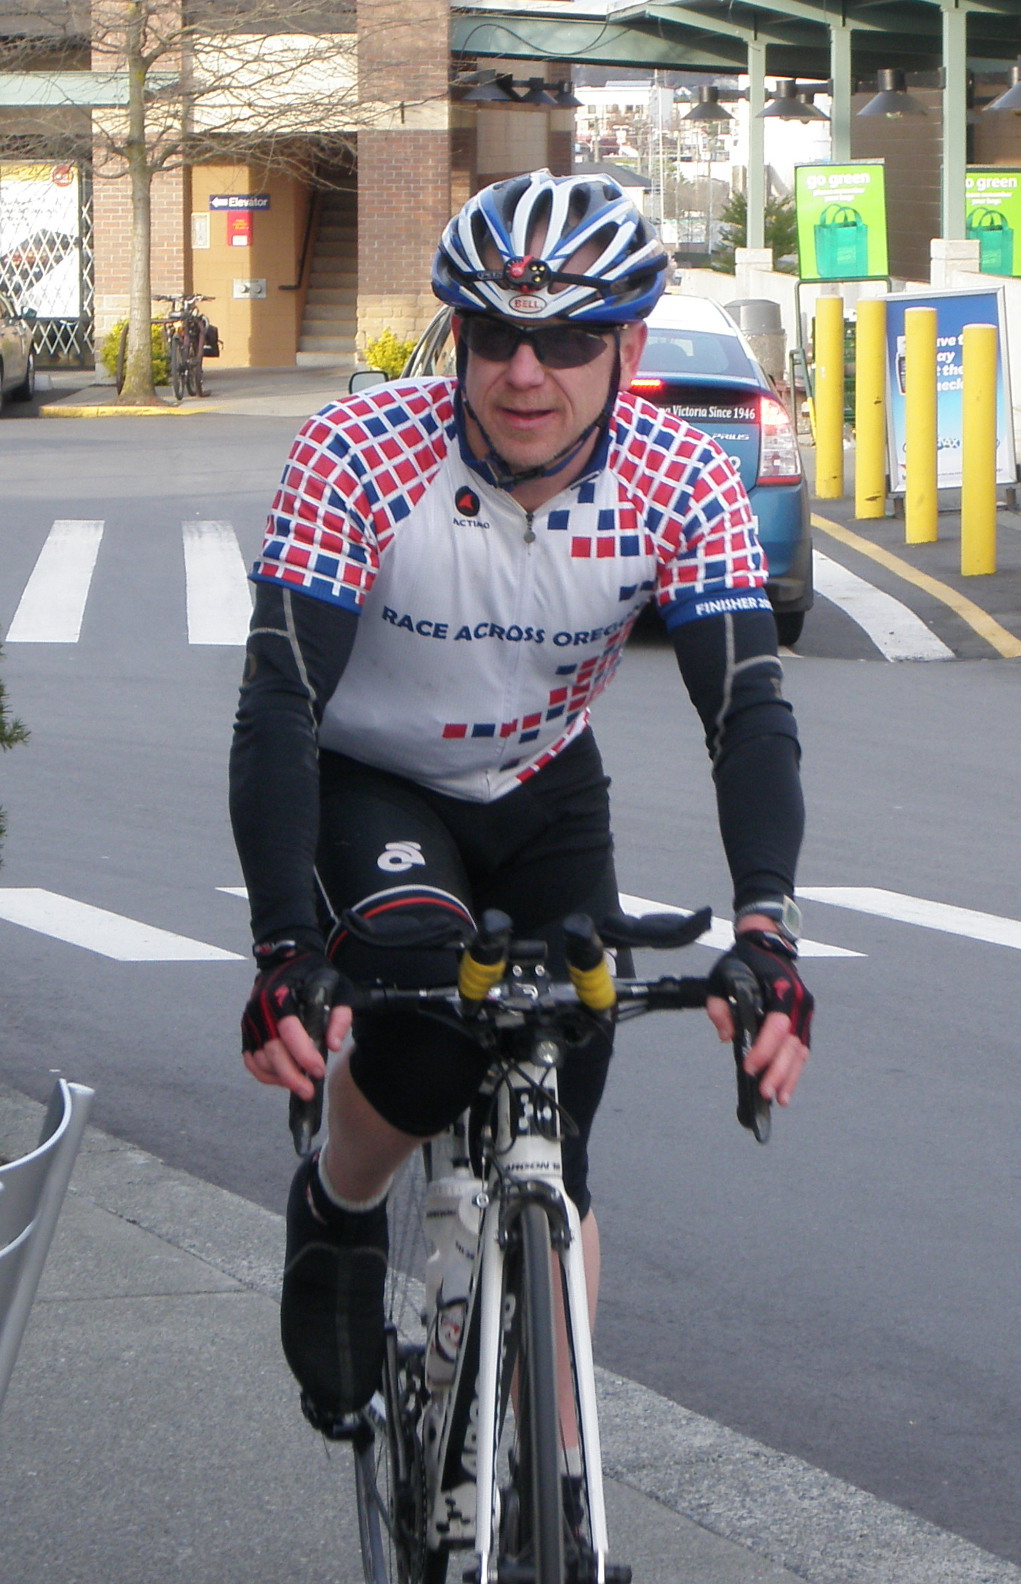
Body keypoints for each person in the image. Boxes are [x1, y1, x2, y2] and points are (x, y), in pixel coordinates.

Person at [229, 168, 813, 1425]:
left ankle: (556, 1472)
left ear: (627, 350)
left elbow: (748, 714)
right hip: (375, 779)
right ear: (458, 335)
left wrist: (768, 928)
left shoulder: (680, 479)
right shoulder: (357, 451)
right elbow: (279, 703)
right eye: (494, 335)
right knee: (430, 1029)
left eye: (568, 341)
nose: (525, 373)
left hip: (545, 786)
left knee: (563, 1082)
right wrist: (282, 950)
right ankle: (338, 1200)